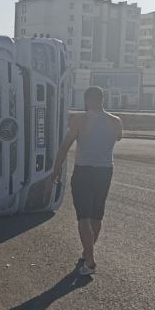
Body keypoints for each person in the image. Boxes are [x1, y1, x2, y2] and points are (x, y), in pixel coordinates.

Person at [50, 87, 122, 276]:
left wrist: (56, 169)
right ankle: (87, 252)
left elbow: (65, 145)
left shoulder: (80, 120)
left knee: (83, 217)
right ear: (102, 99)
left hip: (84, 171)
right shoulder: (115, 121)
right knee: (96, 216)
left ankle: (90, 261)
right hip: (105, 170)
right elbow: (119, 137)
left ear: (87, 100)